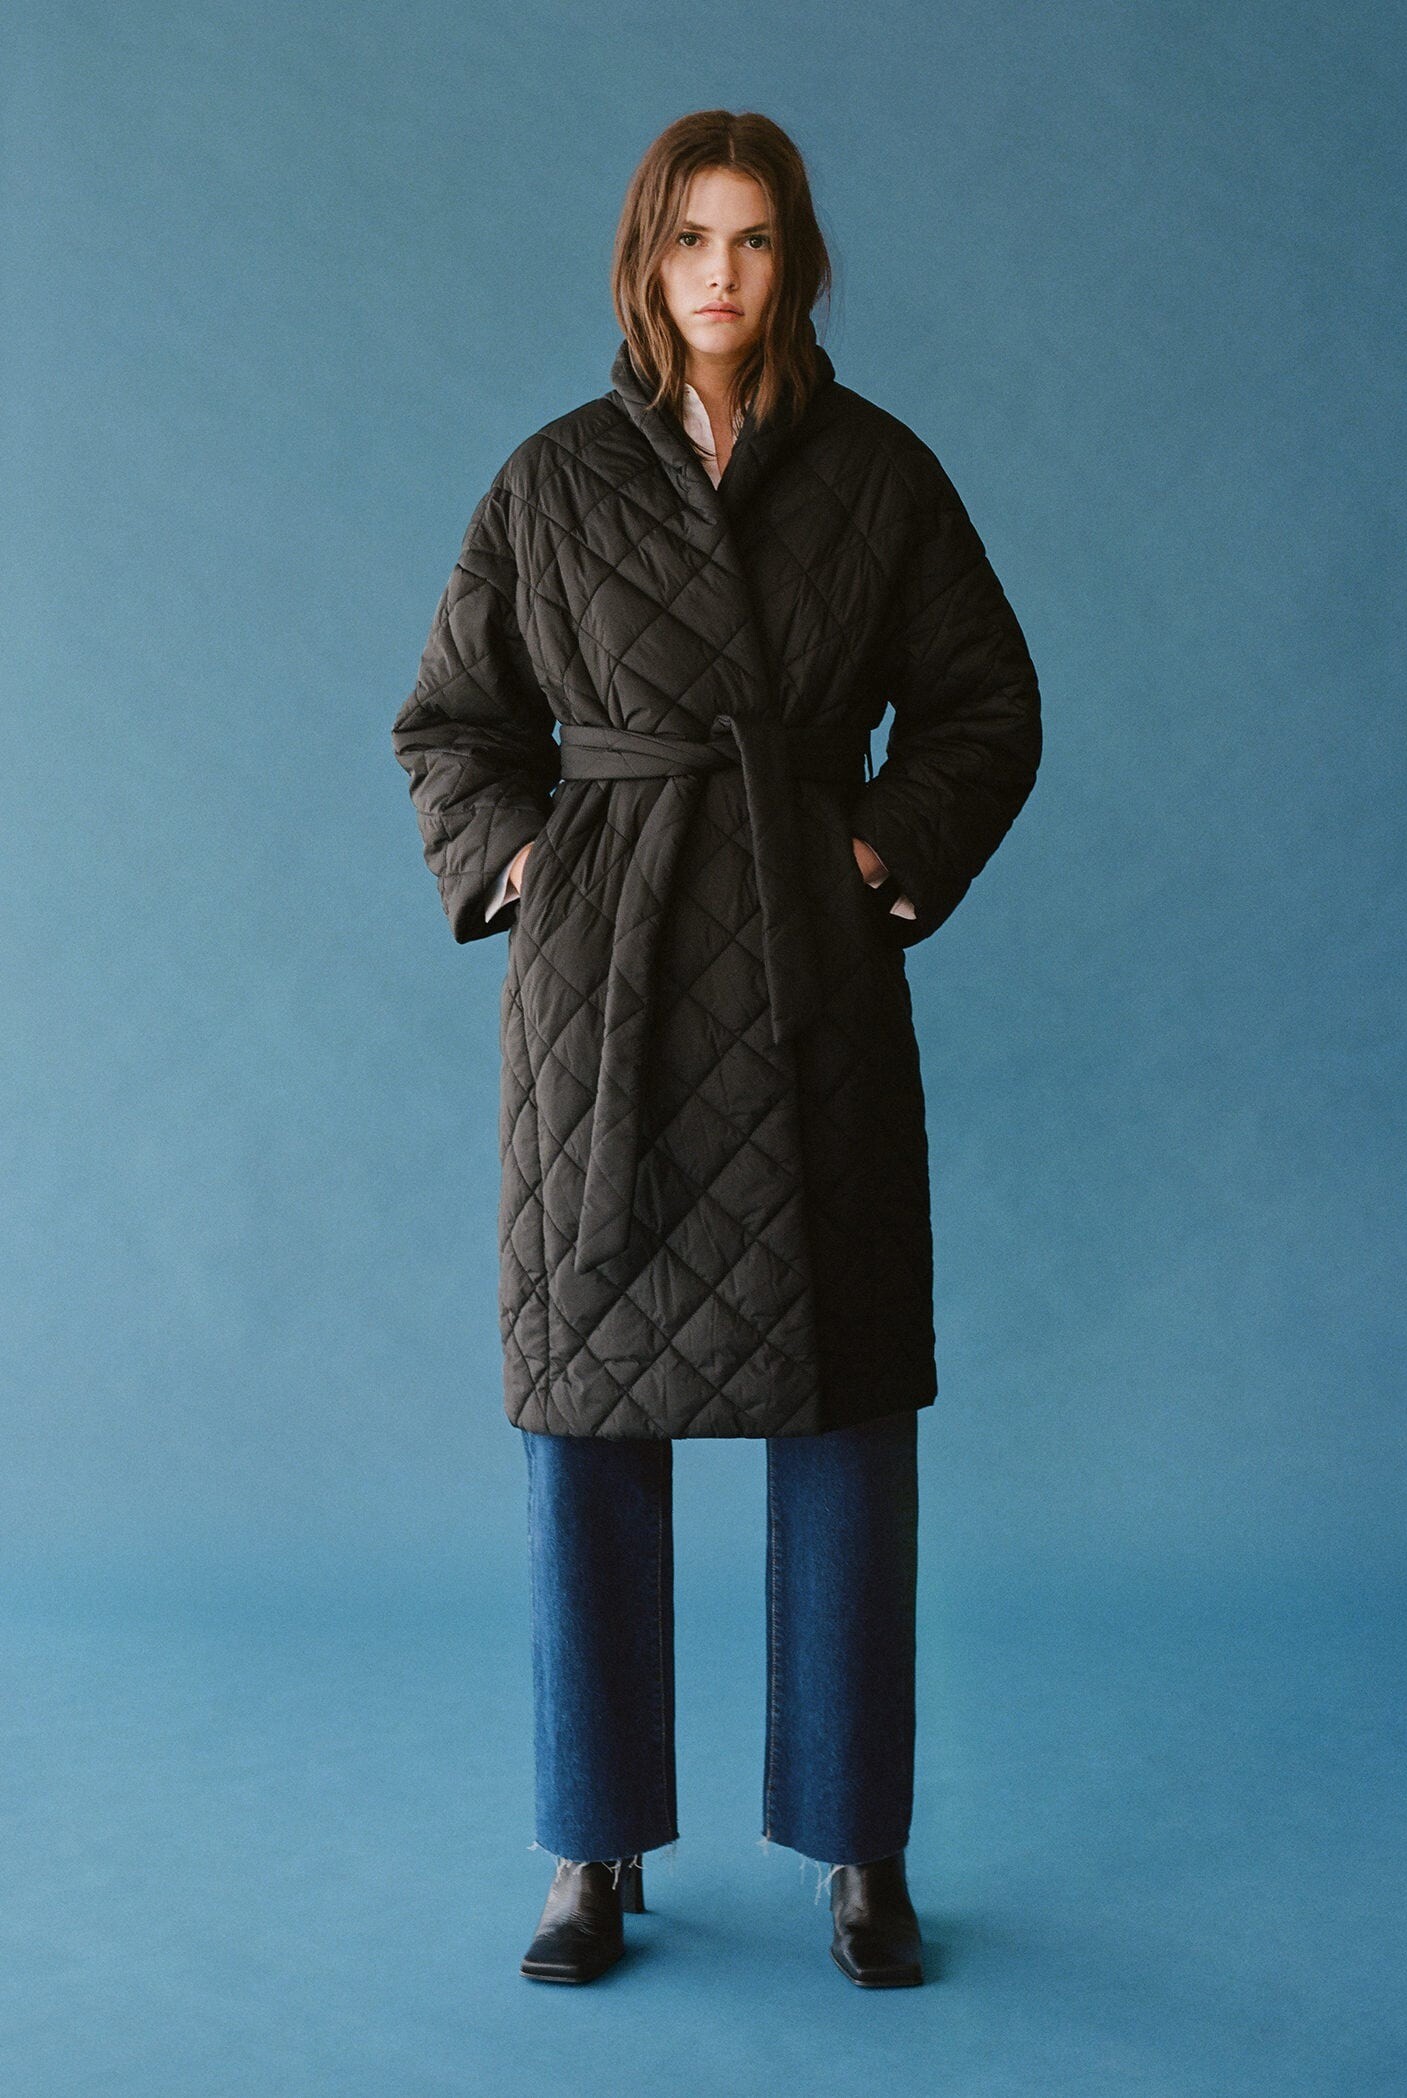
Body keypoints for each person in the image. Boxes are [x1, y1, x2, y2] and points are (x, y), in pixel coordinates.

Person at [392, 109, 1042, 1988]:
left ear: (795, 261)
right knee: (588, 1408)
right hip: (604, 996)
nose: (721, 275)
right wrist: (535, 868)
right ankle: (588, 1841)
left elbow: (985, 706)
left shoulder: (881, 473)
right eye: (691, 238)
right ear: (645, 257)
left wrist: (872, 863)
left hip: (803, 985)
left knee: (844, 1408)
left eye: (754, 240)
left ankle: (857, 1843)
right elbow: (452, 722)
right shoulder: (551, 480)